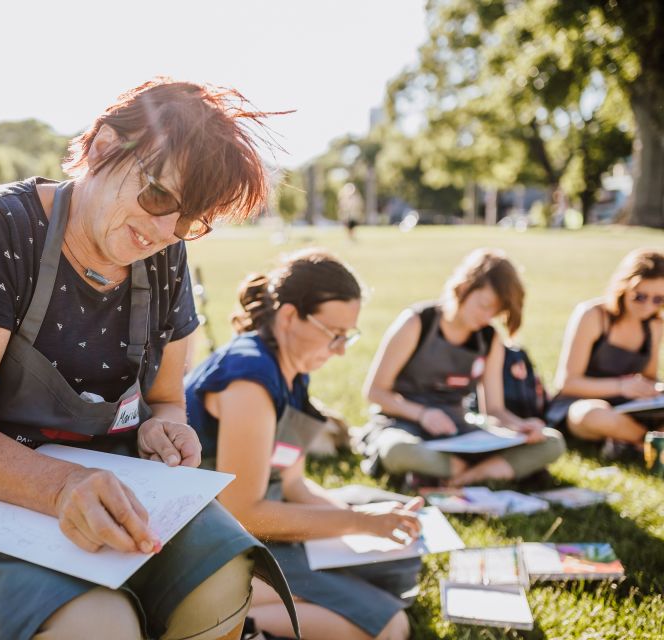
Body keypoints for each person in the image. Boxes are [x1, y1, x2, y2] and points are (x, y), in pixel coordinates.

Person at [0, 79, 298, 640]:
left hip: (115, 480)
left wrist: (164, 431)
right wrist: (61, 487)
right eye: (159, 198)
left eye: (192, 221)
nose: (166, 232)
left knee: (223, 581)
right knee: (100, 625)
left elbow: (168, 399)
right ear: (102, 148)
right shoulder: (0, 225)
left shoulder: (169, 258)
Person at [185, 249, 423, 640]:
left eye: (349, 336)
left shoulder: (291, 369)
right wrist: (359, 523)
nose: (343, 349)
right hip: (216, 548)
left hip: (263, 529)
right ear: (290, 316)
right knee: (390, 628)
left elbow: (292, 484)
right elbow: (245, 513)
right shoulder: (249, 379)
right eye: (335, 335)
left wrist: (365, 523)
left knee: (400, 566)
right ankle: (230, 626)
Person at [355, 249, 565, 487]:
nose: (487, 317)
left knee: (552, 442)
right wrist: (423, 414)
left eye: (495, 312)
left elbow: (494, 410)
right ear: (464, 287)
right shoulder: (416, 322)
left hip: (459, 433)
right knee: (397, 450)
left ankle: (460, 475)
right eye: (484, 305)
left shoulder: (489, 338)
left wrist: (520, 426)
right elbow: (375, 392)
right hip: (402, 425)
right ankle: (484, 472)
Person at [546, 249, 664, 457]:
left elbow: (648, 378)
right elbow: (568, 383)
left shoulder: (654, 325)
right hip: (582, 406)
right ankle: (649, 442)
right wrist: (621, 387)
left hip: (628, 408)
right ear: (624, 286)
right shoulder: (593, 315)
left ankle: (632, 443)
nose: (648, 306)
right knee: (593, 414)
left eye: (658, 300)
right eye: (640, 296)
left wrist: (654, 389)